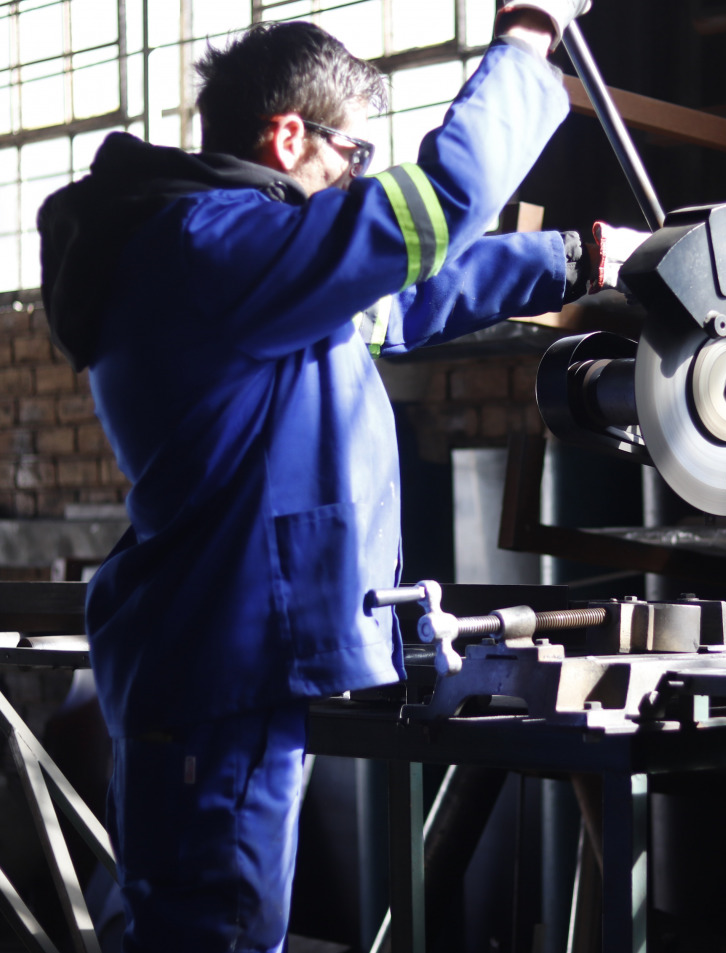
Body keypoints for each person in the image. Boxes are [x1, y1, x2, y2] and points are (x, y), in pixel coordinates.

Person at [38, 3, 594, 951]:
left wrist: (574, 259)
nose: (359, 178)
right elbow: (440, 205)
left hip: (220, 665)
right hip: (223, 667)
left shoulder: (233, 259)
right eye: (354, 154)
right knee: (217, 935)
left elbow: (401, 300)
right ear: (288, 136)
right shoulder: (212, 243)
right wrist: (528, 36)